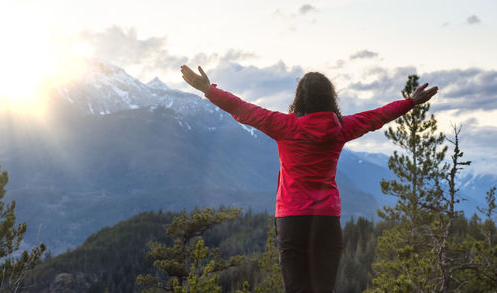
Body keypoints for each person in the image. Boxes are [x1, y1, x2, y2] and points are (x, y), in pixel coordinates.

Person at [180, 65, 438, 293]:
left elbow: (242, 109)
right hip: (326, 220)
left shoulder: (285, 125)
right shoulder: (341, 128)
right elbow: (375, 117)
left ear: (299, 98)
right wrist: (410, 102)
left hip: (292, 220)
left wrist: (208, 89)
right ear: (330, 98)